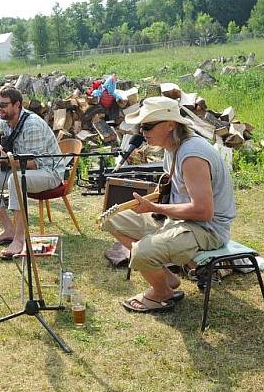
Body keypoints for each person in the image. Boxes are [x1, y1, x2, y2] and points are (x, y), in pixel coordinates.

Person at [101, 96, 236, 313]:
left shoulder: (192, 155)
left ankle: (161, 293)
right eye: (141, 126)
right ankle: (166, 279)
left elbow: (203, 211)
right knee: (112, 218)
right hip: (180, 221)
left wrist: (155, 209)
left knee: (141, 253)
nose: (142, 132)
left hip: (207, 230)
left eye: (148, 126)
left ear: (170, 125)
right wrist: (152, 200)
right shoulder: (172, 147)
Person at [0, 86, 67, 259]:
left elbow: (33, 164)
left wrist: (5, 159)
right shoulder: (6, 118)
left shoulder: (32, 125)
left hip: (48, 172)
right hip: (19, 168)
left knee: (16, 179)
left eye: (3, 105)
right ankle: (8, 230)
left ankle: (19, 238)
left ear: (17, 105)